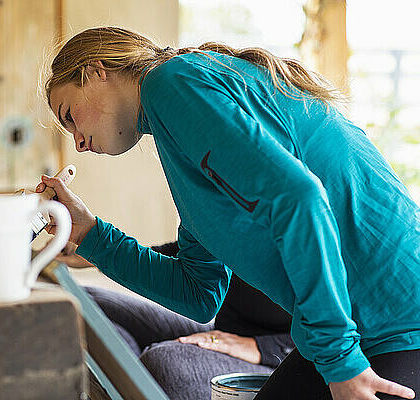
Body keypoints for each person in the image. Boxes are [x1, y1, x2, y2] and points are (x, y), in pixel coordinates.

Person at [37, 27, 420, 399]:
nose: (79, 144)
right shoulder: (176, 134)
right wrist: (91, 234)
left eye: (69, 115)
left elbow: (299, 199)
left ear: (95, 72)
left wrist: (341, 363)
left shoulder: (170, 82)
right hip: (351, 328)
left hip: (399, 317)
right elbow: (198, 293)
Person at [59, 240, 294, 400]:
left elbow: (330, 327)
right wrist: (98, 251)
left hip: (283, 359)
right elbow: (193, 254)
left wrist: (261, 347)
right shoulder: (233, 198)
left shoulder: (307, 204)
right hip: (226, 333)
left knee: (164, 362)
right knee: (89, 302)